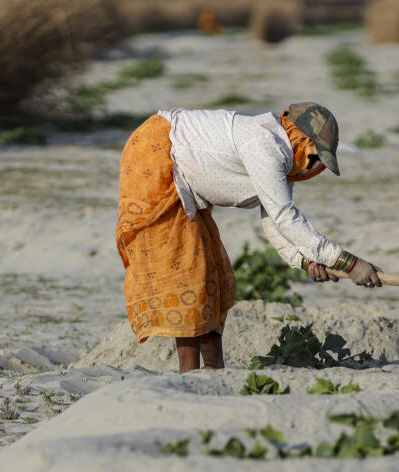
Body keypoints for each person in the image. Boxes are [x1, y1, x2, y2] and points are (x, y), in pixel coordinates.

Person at [115, 101, 382, 373]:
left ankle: (214, 372)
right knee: (188, 276)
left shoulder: (281, 156)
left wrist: (307, 262)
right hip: (154, 155)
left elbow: (273, 224)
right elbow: (284, 218)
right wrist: (350, 263)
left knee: (212, 277)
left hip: (175, 169)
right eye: (314, 157)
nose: (311, 166)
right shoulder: (266, 146)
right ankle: (189, 376)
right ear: (300, 139)